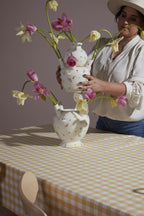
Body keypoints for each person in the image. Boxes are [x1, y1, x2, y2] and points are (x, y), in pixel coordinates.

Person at [56, 0, 144, 137]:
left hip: (131, 127)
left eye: (133, 19)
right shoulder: (102, 44)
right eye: (123, 16)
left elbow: (138, 89)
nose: (125, 22)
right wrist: (68, 75)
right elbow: (84, 73)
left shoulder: (141, 49)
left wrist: (102, 86)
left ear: (142, 24)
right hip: (102, 123)